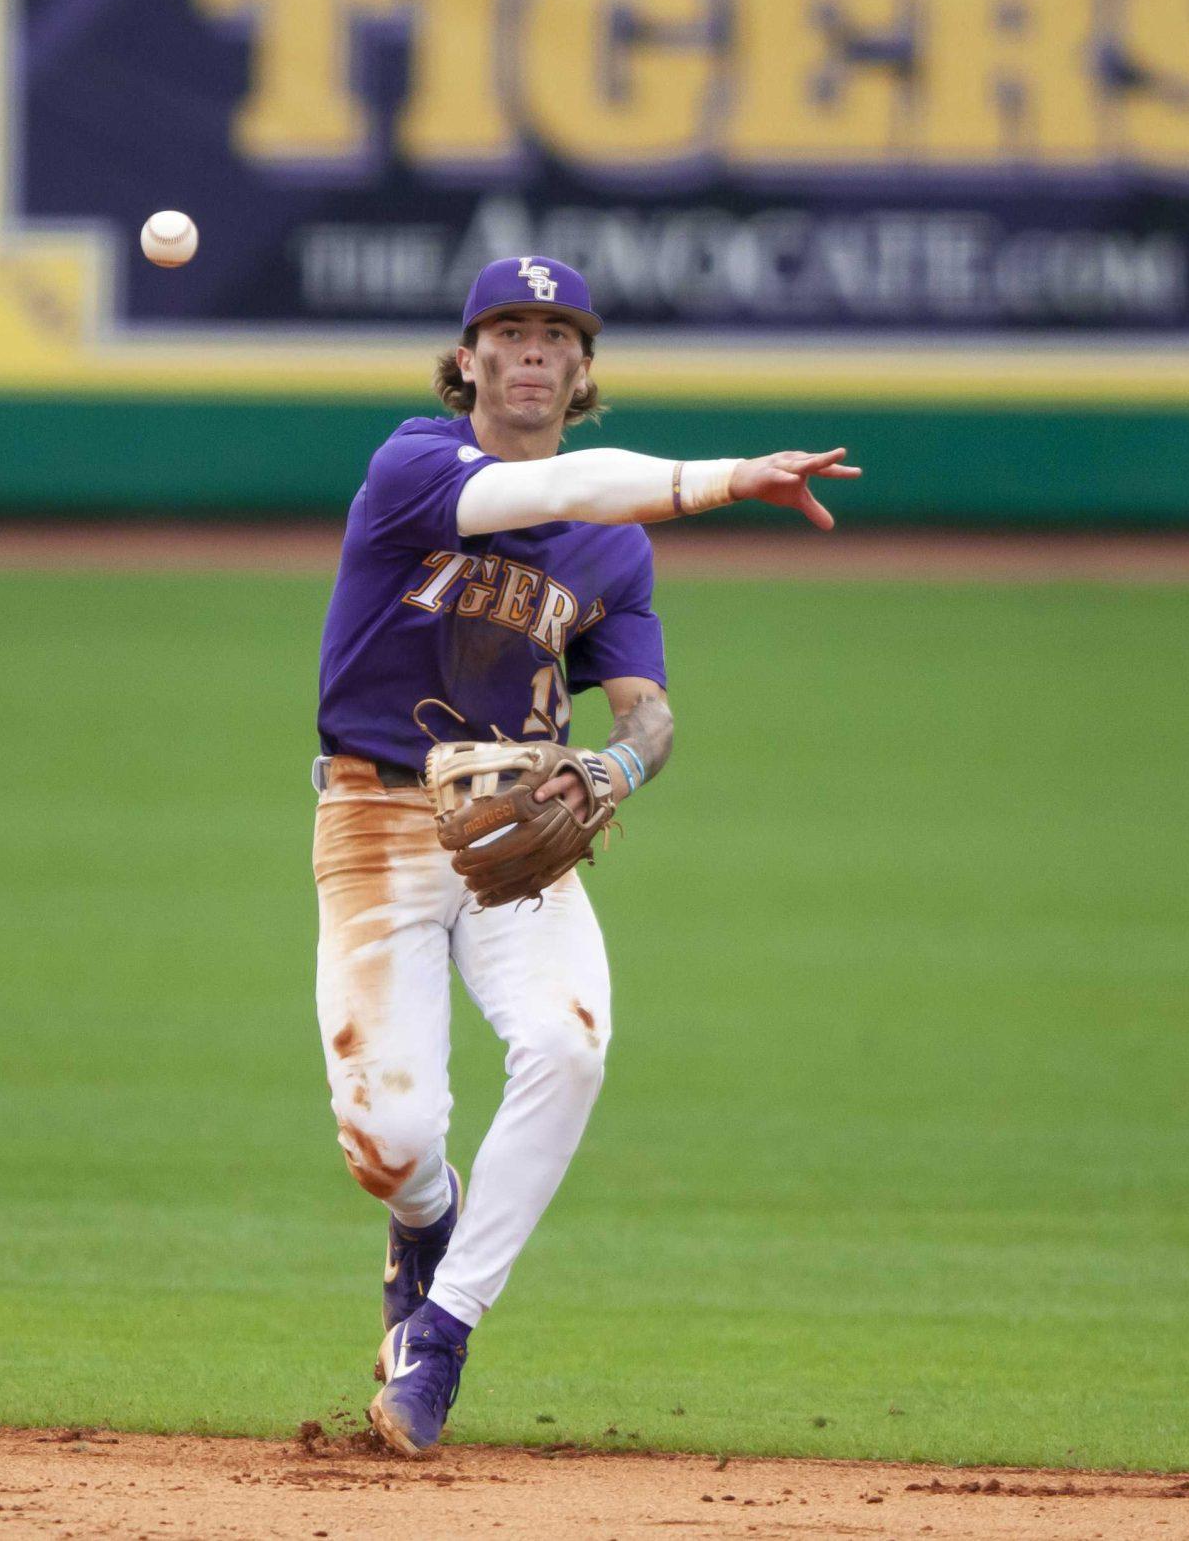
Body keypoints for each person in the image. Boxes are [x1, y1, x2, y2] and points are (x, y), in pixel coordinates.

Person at [311, 256, 861, 1455]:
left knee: (569, 1044)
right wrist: (721, 478)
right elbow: (571, 483)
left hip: (517, 839)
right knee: (390, 1147)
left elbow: (649, 714)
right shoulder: (415, 467)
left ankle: (438, 1339)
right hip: (373, 822)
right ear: (464, 361)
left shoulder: (616, 550)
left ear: (581, 367)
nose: (528, 351)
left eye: (555, 335)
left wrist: (614, 767)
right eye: (504, 330)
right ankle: (426, 1221)